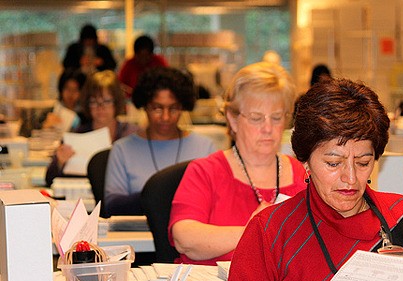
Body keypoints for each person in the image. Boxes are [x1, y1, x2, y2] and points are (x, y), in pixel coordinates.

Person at [219, 78, 403, 281]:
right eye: (333, 163)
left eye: (362, 163)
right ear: (305, 161)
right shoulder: (271, 229)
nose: (350, 178)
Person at [168, 62, 307, 266]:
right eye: (256, 118)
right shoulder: (205, 171)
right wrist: (254, 231)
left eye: (276, 118)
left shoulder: (301, 174)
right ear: (233, 119)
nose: (268, 128)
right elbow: (185, 239)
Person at [103, 67, 216, 217]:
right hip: (136, 235)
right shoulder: (122, 149)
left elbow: (217, 203)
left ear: (183, 106)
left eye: (174, 108)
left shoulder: (205, 148)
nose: (165, 117)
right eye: (157, 108)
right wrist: (159, 196)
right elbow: (112, 205)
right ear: (144, 106)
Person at [45, 70, 138, 186]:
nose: (100, 108)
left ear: (117, 102)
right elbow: (49, 179)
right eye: (94, 102)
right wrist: (59, 162)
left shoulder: (131, 135)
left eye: (107, 101)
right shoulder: (78, 134)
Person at [18, 69, 86, 137]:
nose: (71, 94)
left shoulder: (84, 116)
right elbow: (25, 132)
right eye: (67, 88)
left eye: (75, 90)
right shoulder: (50, 112)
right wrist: (44, 126)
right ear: (61, 89)